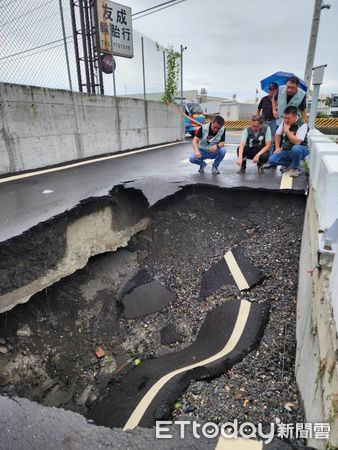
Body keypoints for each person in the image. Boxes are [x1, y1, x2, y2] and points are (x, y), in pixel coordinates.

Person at [264, 106, 309, 177]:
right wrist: (277, 147)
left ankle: (295, 168)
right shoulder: (284, 122)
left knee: (296, 149)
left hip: (301, 149)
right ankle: (291, 164)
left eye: (288, 118)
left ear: (294, 116)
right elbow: (277, 134)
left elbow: (297, 142)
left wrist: (287, 131)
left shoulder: (303, 125)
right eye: (284, 117)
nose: (285, 120)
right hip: (286, 149)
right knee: (272, 160)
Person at [256, 82, 278, 152]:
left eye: (272, 89)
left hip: (274, 122)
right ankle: (261, 153)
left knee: (271, 139)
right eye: (269, 89)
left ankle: (269, 155)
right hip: (264, 121)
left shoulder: (279, 100)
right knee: (261, 137)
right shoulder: (264, 99)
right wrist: (258, 118)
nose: (270, 91)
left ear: (276, 90)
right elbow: (259, 109)